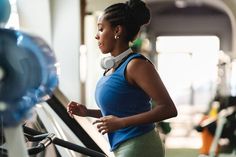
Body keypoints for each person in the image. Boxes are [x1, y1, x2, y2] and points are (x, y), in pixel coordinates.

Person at [67, 0, 178, 156]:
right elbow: (121, 111)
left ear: (117, 30)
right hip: (124, 146)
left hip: (139, 144)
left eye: (101, 29)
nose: (96, 36)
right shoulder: (113, 67)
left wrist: (121, 123)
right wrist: (87, 112)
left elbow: (168, 109)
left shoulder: (136, 65)